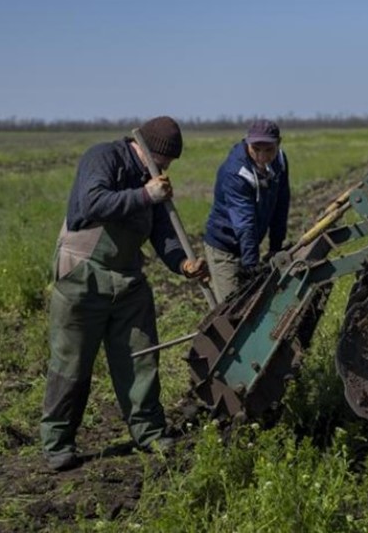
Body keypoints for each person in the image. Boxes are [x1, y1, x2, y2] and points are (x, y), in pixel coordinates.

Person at [40, 116, 206, 472]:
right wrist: (145, 194)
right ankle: (58, 442)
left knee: (140, 355)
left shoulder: (152, 178)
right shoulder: (103, 157)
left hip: (127, 278)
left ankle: (148, 431)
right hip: (83, 274)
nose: (164, 168)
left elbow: (162, 232)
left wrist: (183, 264)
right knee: (72, 361)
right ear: (142, 147)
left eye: (169, 163)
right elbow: (92, 203)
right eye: (162, 161)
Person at [202, 119, 291, 303]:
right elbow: (244, 223)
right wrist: (251, 266)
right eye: (256, 149)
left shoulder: (280, 162)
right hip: (225, 245)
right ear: (247, 143)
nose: (262, 156)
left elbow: (281, 205)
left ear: (278, 143)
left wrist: (276, 247)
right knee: (232, 308)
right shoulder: (235, 172)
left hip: (250, 241)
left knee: (255, 303)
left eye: (269, 150)